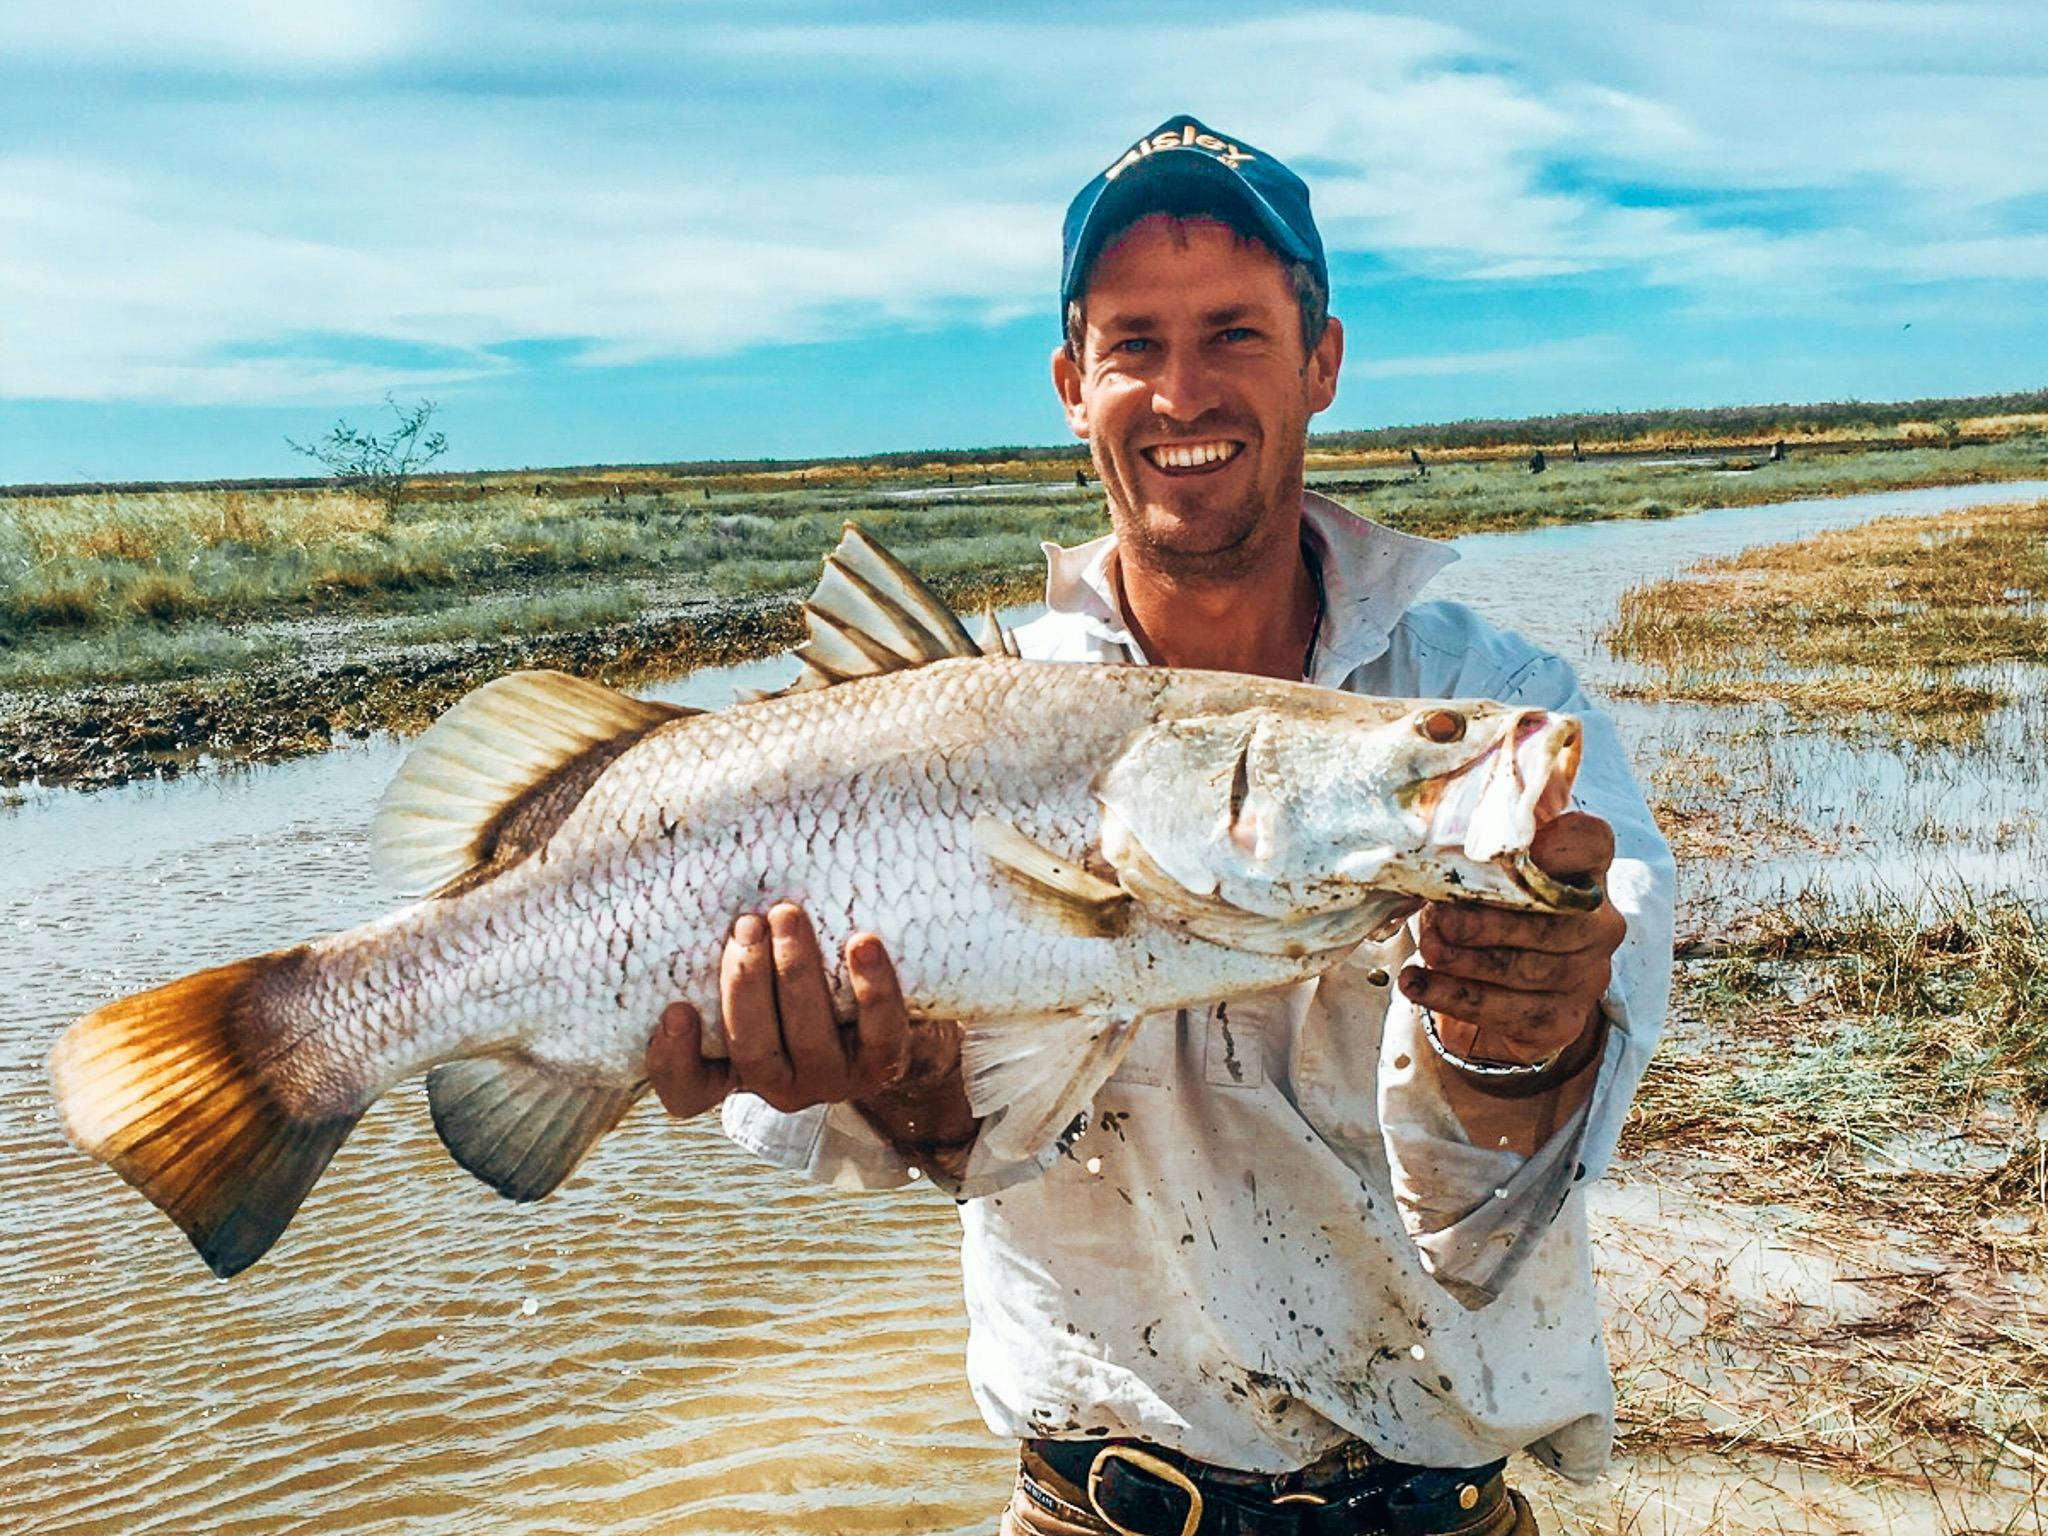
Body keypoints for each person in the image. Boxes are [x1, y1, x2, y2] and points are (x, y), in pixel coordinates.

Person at [645, 115, 1673, 1536]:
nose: (1183, 391)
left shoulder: (1503, 703)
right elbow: (962, 1133)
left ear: (1322, 360)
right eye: (1135, 343)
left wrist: (1527, 1031)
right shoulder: (961, 713)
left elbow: (1507, 1201)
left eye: (1237, 334)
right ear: (1075, 384)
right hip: (1097, 1511)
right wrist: (884, 1068)